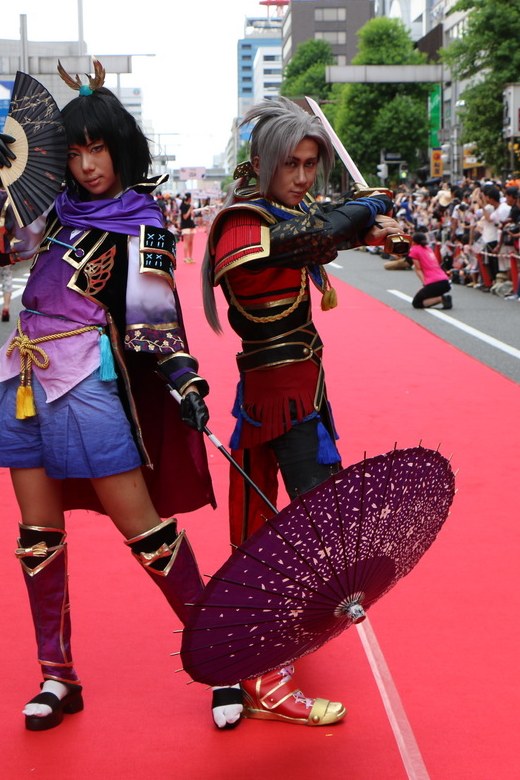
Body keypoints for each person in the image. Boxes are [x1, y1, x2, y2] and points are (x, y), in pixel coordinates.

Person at [0, 64, 235, 731]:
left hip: (90, 381)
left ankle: (221, 657)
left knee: (145, 530)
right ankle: (57, 677)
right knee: (37, 535)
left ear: (120, 148)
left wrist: (184, 378)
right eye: (75, 152)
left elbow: (155, 315)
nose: (86, 165)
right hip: (24, 376)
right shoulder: (54, 212)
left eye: (98, 149)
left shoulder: (147, 222)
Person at [202, 96, 404, 728]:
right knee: (308, 531)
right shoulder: (241, 222)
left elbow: (327, 231)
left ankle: (249, 660)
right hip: (275, 392)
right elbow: (315, 237)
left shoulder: (286, 215)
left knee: (288, 528)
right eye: (290, 164)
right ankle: (263, 676)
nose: (302, 176)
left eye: (311, 164)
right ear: (264, 162)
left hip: (301, 386)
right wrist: (364, 208)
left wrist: (378, 224)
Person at [410, 232, 452, 309]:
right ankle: (443, 298)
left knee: (417, 303)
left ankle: (441, 299)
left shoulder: (414, 250)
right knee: (427, 293)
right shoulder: (428, 249)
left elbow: (418, 269)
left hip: (434, 282)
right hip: (445, 281)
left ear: (414, 242)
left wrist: (425, 285)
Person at [179, 192, 196, 263]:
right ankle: (185, 257)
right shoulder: (183, 206)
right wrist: (189, 210)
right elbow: (185, 217)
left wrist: (192, 211)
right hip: (185, 225)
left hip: (191, 224)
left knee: (191, 242)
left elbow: (192, 216)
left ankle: (190, 257)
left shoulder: (189, 205)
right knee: (186, 241)